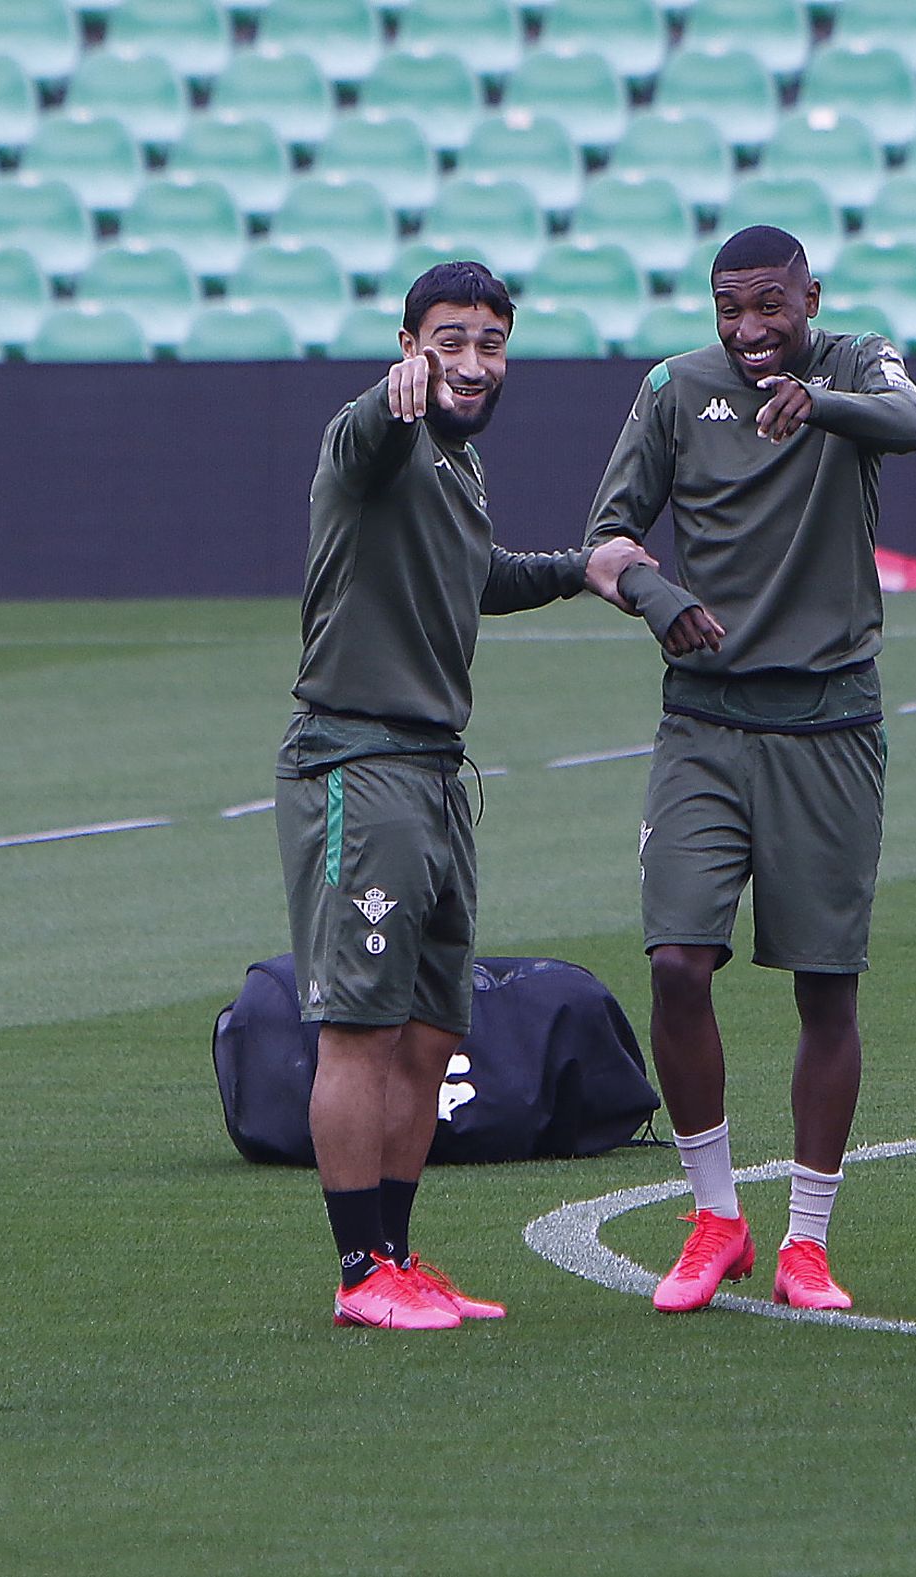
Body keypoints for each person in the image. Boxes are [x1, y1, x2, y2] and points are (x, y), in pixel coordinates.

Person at [275, 261, 652, 1331]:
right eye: (448, 341)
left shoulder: (455, 463)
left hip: (436, 772)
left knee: (433, 1026)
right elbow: (367, 429)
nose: (471, 363)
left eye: (490, 342)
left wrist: (586, 568)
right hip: (360, 762)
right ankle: (359, 1274)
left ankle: (396, 1251)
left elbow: (473, 575)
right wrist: (390, 394)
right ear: (407, 344)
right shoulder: (380, 436)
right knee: (358, 1022)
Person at [585, 225, 916, 1313]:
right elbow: (608, 536)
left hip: (829, 726)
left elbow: (912, 424)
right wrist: (656, 595)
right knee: (678, 963)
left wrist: (820, 404)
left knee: (825, 987)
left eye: (770, 306)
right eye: (730, 308)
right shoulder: (675, 390)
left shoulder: (858, 366)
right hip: (704, 724)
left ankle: (807, 1242)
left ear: (808, 297)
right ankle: (715, 1216)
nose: (749, 329)